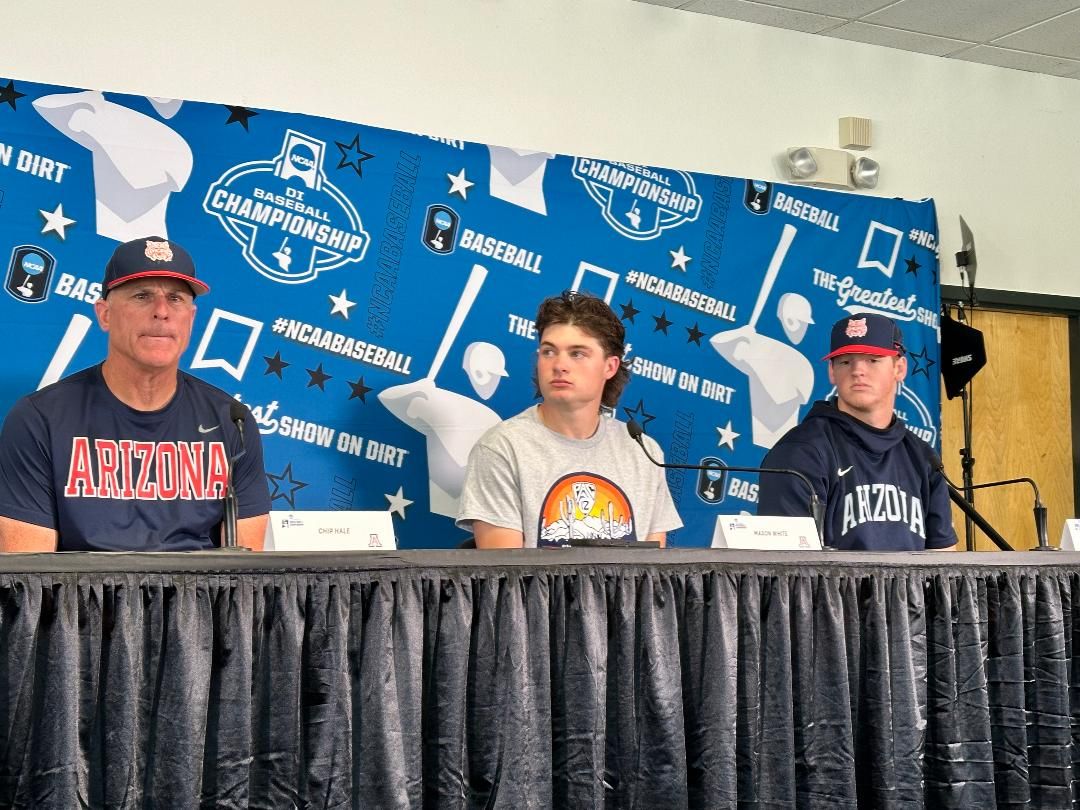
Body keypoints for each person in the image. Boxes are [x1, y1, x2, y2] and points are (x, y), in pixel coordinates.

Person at [0, 236, 270, 552]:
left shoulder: (231, 420)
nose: (161, 312)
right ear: (104, 314)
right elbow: (33, 580)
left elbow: (244, 579)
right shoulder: (40, 419)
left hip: (199, 600)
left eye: (176, 299)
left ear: (191, 318)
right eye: (141, 296)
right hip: (85, 599)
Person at [457, 290, 682, 548]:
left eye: (577, 353)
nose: (559, 365)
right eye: (548, 352)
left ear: (610, 367)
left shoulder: (644, 451)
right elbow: (504, 576)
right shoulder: (501, 448)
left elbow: (653, 571)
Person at [758, 313, 957, 551]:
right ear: (832, 372)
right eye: (845, 362)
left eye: (873, 360)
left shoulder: (923, 457)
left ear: (899, 368)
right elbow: (788, 570)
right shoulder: (801, 452)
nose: (857, 371)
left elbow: (943, 562)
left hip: (911, 590)